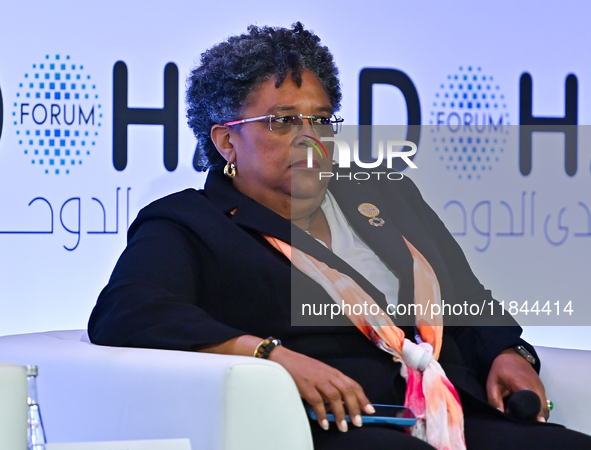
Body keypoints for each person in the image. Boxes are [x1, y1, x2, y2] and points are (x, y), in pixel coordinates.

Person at [88, 23, 591, 450]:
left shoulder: (388, 197)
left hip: (456, 409)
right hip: (340, 425)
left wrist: (509, 354)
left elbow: (467, 300)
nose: (311, 137)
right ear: (225, 140)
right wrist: (272, 358)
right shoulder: (190, 222)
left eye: (321, 120)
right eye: (283, 121)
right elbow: (129, 310)